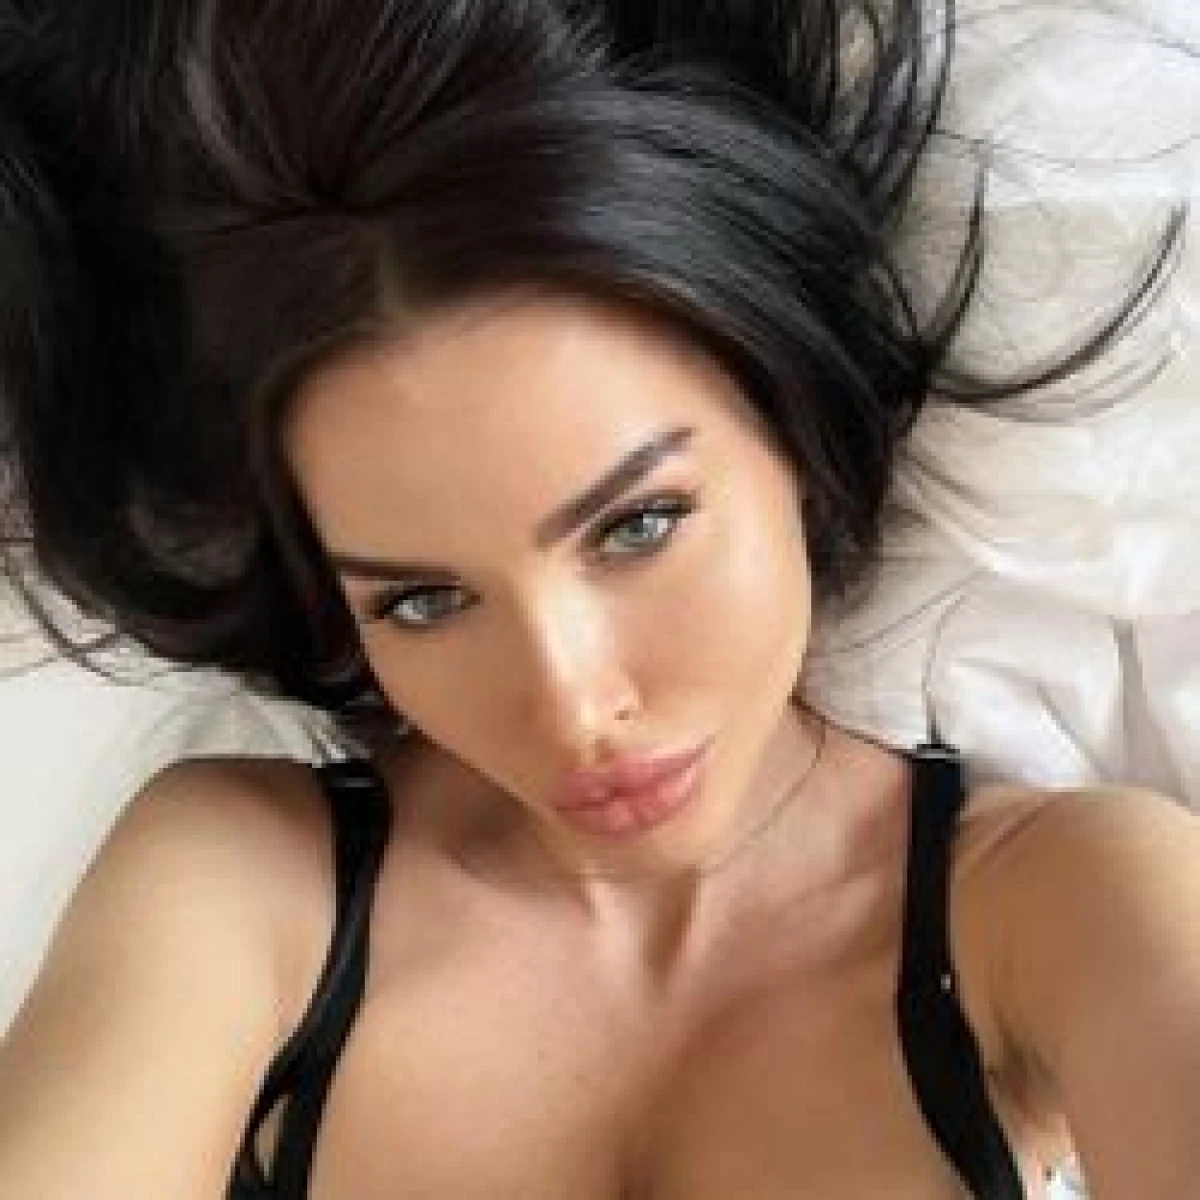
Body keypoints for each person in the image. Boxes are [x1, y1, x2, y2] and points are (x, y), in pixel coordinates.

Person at [0, 1, 1197, 1197]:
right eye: (424, 601)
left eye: (637, 527)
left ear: (792, 423)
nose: (573, 705)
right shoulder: (242, 885)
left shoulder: (1070, 902)